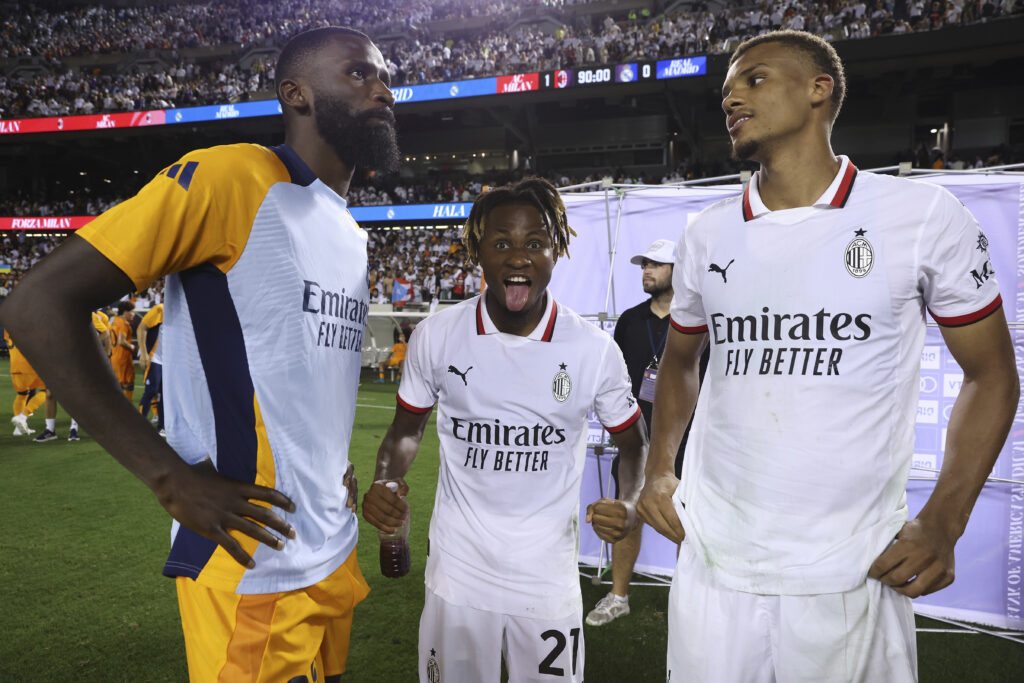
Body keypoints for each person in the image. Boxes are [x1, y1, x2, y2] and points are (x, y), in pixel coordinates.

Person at [0, 26, 400, 682]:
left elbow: (299, 384)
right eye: (359, 73)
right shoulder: (232, 177)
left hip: (334, 546)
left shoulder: (351, 236)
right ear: (296, 94)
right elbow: (36, 305)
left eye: (386, 76)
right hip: (254, 566)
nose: (383, 89)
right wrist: (169, 477)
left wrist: (329, 472)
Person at [636, 30, 1017, 682]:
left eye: (753, 78)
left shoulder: (921, 215)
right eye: (727, 84)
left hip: (855, 574)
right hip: (714, 569)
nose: (730, 93)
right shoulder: (706, 233)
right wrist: (660, 467)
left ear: (820, 90)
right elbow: (679, 361)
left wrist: (945, 519)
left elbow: (993, 375)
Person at [362, 178, 649, 682]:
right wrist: (387, 480)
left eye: (534, 243)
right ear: (478, 251)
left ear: (556, 251)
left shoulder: (592, 349)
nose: (518, 258)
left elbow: (633, 441)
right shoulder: (438, 335)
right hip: (458, 572)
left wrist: (629, 501)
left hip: (546, 579)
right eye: (501, 244)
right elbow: (406, 429)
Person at [585, 239, 707, 627]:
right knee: (627, 513)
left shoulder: (698, 319)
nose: (646, 271)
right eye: (643, 265)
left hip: (687, 439)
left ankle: (688, 604)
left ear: (678, 270)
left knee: (687, 521)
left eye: (656, 265)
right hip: (636, 439)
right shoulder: (630, 320)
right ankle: (618, 596)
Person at [5, 327, 46, 436]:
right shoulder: (30, 325)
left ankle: (18, 429)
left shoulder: (8, 327)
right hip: (30, 365)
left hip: (15, 366)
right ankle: (22, 417)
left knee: (22, 394)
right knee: (46, 391)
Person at [137, 302, 164, 434]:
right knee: (151, 390)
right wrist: (143, 352)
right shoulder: (160, 309)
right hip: (155, 358)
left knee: (166, 395)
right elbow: (141, 328)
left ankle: (162, 426)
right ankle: (140, 424)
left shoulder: (183, 312)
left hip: (170, 362)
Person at [110, 300, 137, 400]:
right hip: (123, 358)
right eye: (132, 311)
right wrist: (133, 347)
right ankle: (127, 411)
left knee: (118, 386)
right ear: (125, 311)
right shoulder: (124, 323)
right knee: (129, 383)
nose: (133, 314)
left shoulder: (114, 320)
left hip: (115, 357)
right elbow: (122, 341)